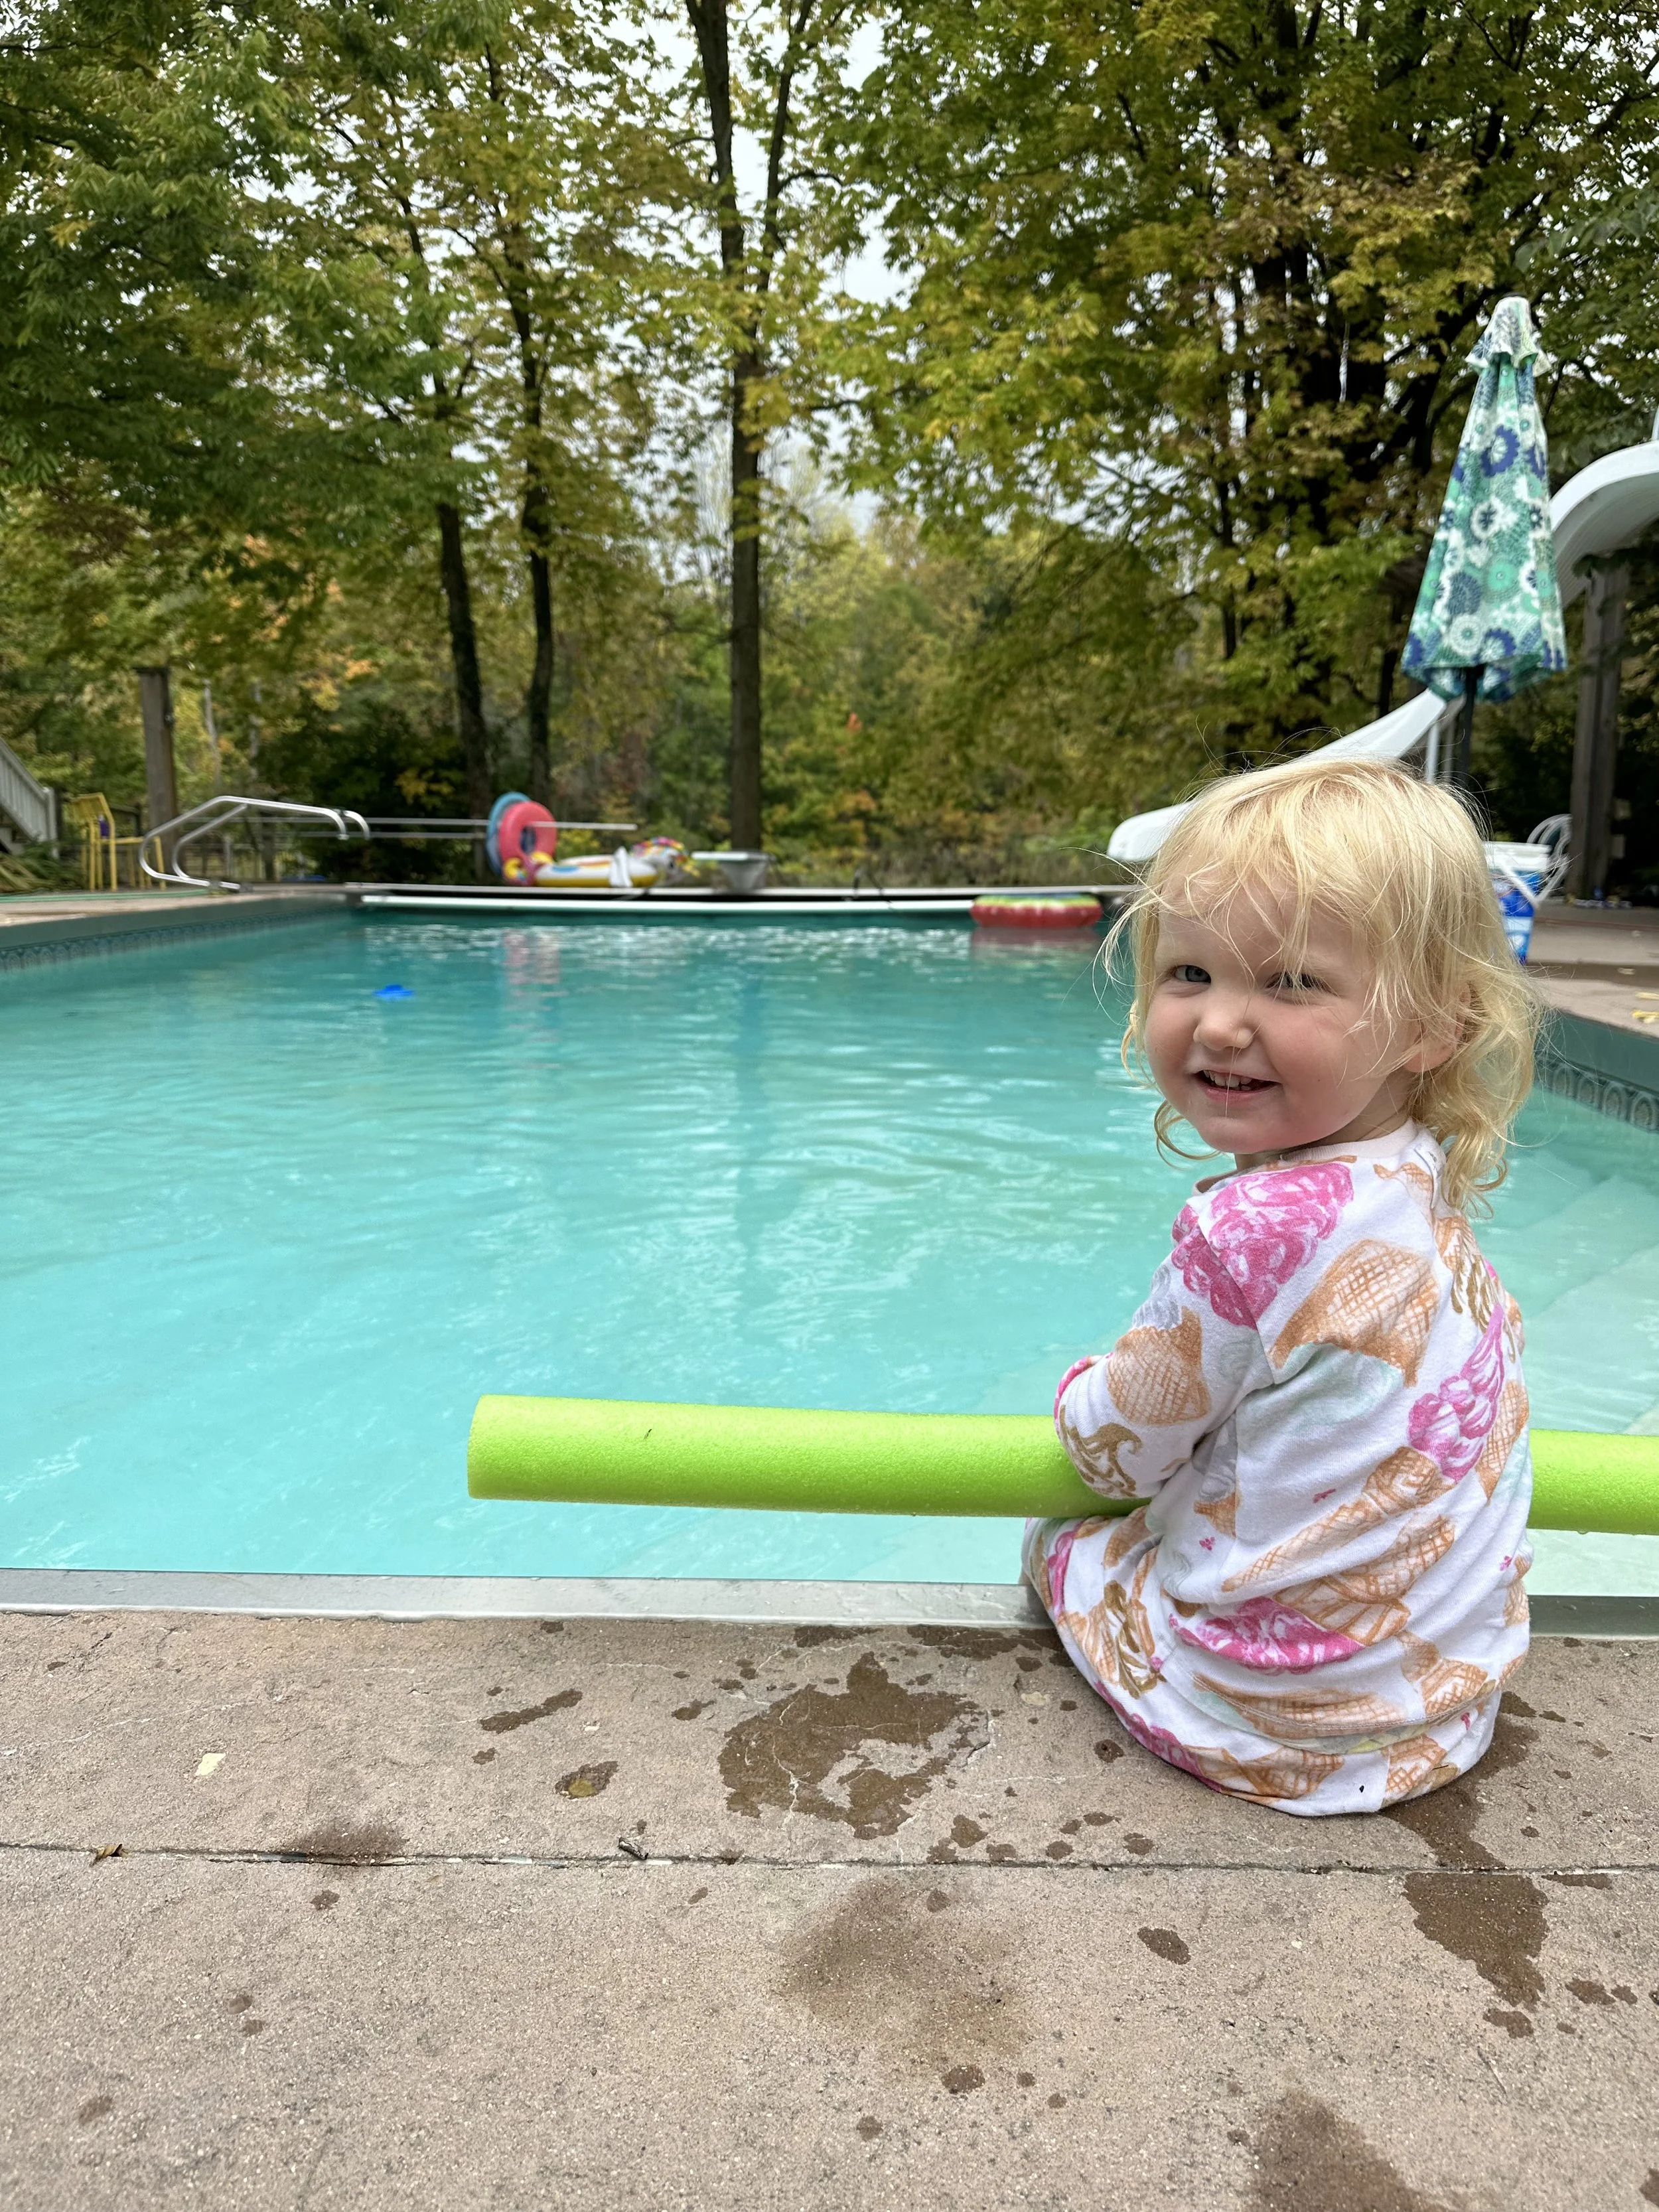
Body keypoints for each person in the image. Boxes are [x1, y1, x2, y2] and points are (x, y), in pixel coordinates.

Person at [1027, 757, 1539, 1814]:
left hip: (1262, 1725)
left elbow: (1110, 1444)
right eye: (1192, 975)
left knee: (1058, 1539)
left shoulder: (1251, 1228)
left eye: (1293, 982)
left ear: (1437, 1024)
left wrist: (1086, 1386)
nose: (1220, 1023)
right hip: (1439, 1712)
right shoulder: (1418, 1182)